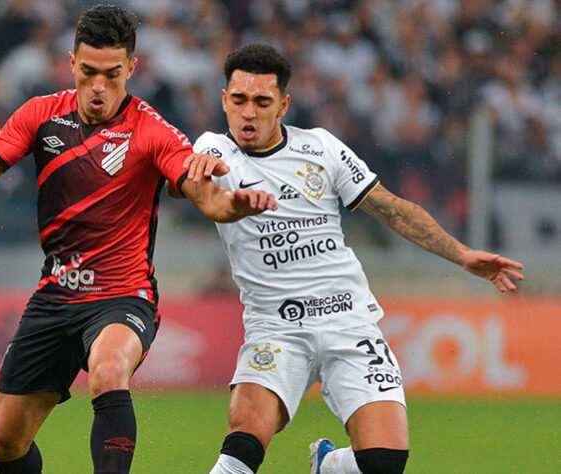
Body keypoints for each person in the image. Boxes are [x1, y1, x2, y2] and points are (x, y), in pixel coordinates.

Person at [0, 6, 276, 474]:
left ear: (132, 68)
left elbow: (206, 196)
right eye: (88, 73)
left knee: (107, 372)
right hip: (56, 293)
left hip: (123, 296)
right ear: (71, 63)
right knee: (4, 442)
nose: (99, 87)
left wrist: (236, 203)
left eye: (112, 74)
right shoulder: (41, 115)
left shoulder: (151, 131)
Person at [173, 44, 524, 474]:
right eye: (240, 100)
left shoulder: (320, 148)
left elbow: (392, 208)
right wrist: (229, 197)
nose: (249, 113)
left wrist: (462, 254)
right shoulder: (212, 150)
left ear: (283, 104)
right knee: (242, 447)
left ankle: (330, 465)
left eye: (262, 102)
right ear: (225, 100)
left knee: (385, 464)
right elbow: (202, 197)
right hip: (277, 328)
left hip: (348, 321)